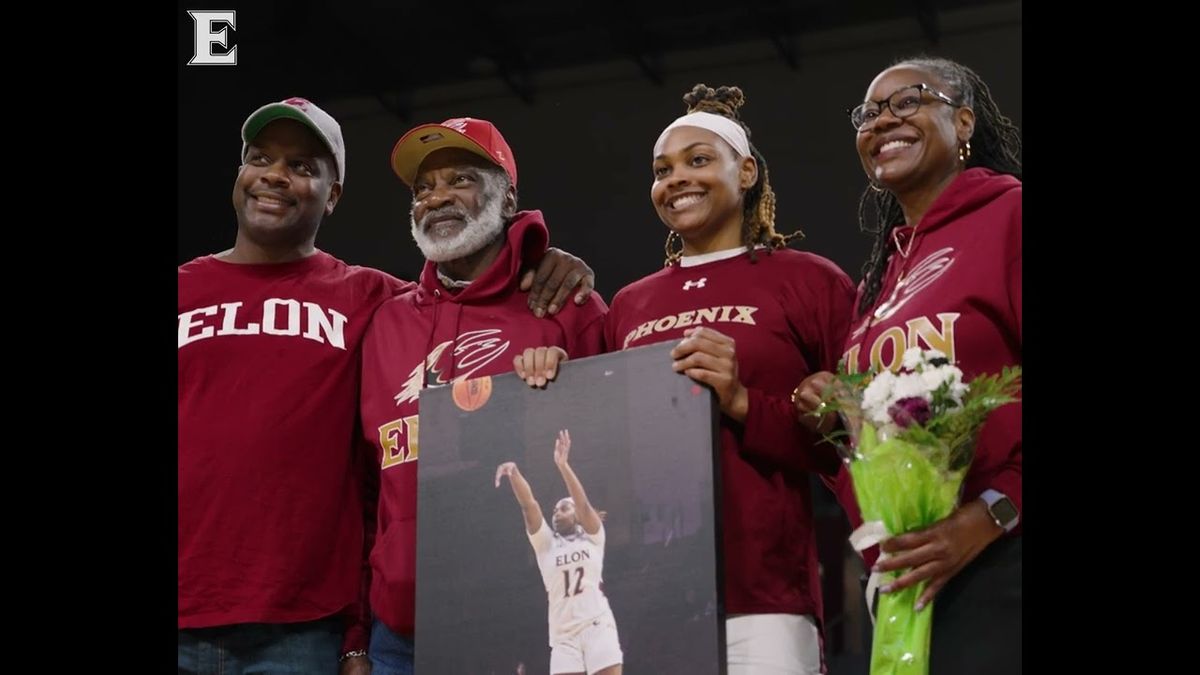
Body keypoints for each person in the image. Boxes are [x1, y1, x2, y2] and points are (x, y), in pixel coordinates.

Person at [178, 98, 598, 674]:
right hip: (372, 630)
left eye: (302, 167)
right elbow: (374, 484)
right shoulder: (391, 314)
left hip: (315, 627)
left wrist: (549, 258)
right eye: (260, 158)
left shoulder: (371, 298)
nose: (275, 174)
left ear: (333, 196)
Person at [517, 84, 857, 674]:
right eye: (662, 170)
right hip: (646, 594)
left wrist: (745, 402)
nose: (677, 179)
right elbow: (597, 442)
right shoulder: (629, 304)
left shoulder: (811, 282)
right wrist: (545, 370)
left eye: (699, 160)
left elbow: (859, 438)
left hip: (765, 593)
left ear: (746, 171)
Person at [792, 56, 1022, 674]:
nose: (882, 121)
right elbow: (875, 461)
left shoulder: (1011, 218)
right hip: (912, 583)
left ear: (964, 120)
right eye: (868, 113)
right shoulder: (879, 285)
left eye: (908, 101)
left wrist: (992, 514)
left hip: (1002, 557)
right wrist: (837, 418)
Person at [358, 117, 609, 674]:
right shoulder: (386, 323)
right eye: (424, 187)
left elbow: (615, 461)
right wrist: (358, 636)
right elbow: (364, 489)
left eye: (461, 179)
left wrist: (564, 395)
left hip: (526, 627)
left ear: (508, 196)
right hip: (399, 638)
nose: (438, 197)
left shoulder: (565, 304)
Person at [495, 429, 623, 675]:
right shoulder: (546, 545)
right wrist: (515, 473)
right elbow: (529, 505)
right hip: (563, 636)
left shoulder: (594, 537)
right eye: (554, 509)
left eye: (563, 508)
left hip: (597, 624)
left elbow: (583, 505)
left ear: (576, 515)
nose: (556, 512)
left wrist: (563, 465)